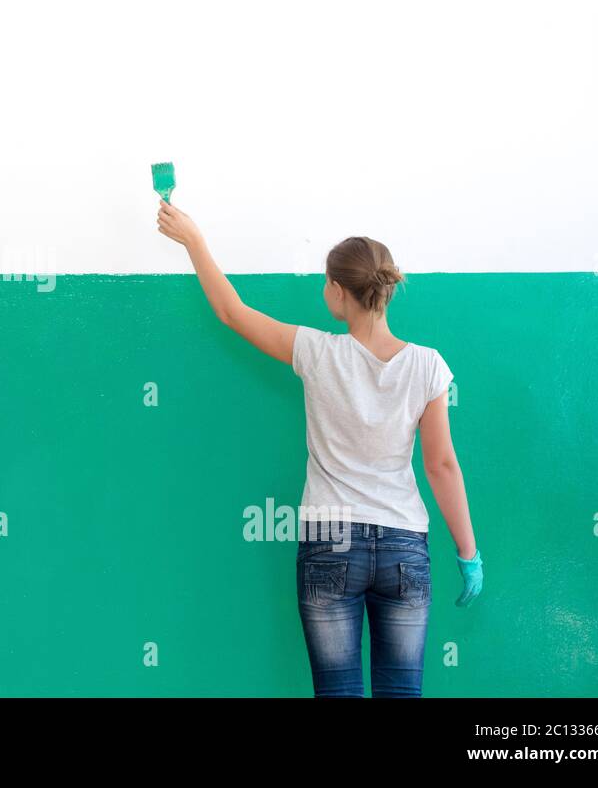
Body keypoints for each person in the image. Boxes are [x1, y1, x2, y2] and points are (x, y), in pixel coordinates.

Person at [156, 200, 483, 698]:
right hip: (404, 548)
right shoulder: (428, 366)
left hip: (329, 540)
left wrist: (194, 241)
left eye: (324, 282)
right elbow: (442, 466)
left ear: (337, 291)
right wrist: (468, 552)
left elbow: (231, 312)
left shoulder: (316, 351)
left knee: (337, 692)